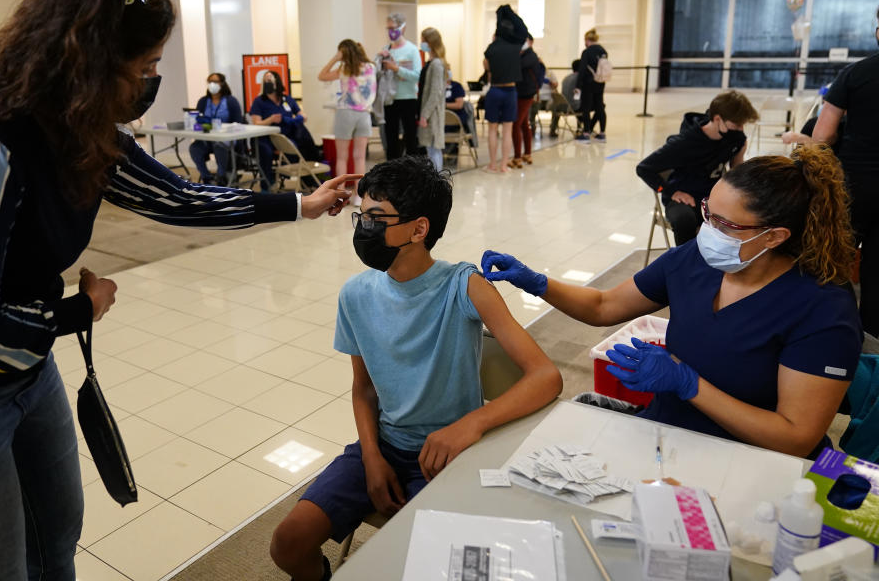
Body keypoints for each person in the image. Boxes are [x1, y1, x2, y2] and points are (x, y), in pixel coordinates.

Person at [0, 0, 359, 581]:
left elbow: (176, 199)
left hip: (24, 371)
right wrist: (79, 310)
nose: (152, 81)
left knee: (55, 542)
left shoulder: (82, 133)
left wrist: (298, 203)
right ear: (90, 61)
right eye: (145, 67)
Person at [270, 157, 562, 581]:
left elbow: (545, 376)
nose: (363, 229)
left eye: (376, 218)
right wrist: (371, 455)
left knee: (429, 563)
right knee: (287, 544)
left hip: (450, 454)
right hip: (385, 445)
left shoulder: (464, 286)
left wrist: (471, 424)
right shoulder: (355, 294)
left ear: (419, 229)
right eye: (360, 216)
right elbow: (363, 389)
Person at [484, 144, 861, 460]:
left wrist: (689, 383)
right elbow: (603, 306)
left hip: (749, 462)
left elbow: (795, 438)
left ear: (775, 236)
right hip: (666, 437)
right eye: (707, 213)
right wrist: (537, 283)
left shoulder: (822, 308)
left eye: (725, 225)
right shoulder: (694, 261)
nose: (706, 230)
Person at [813, 10, 879, 336]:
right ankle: (872, 339)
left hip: (854, 183)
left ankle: (831, 328)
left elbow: (823, 135)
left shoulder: (855, 74)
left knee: (835, 254)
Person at [636, 91, 759, 245]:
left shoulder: (736, 138)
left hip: (714, 197)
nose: (741, 129)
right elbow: (644, 168)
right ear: (717, 119)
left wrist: (740, 155)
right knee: (684, 220)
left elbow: (736, 169)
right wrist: (669, 191)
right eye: (736, 124)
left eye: (743, 124)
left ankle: (725, 263)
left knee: (750, 214)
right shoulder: (684, 143)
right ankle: (687, 263)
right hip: (686, 199)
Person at [318, 39, 376, 206]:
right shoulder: (371, 67)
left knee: (342, 157)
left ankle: (341, 195)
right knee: (360, 158)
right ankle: (359, 196)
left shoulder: (344, 69)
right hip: (364, 115)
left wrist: (335, 58)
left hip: (345, 113)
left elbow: (321, 75)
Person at [250, 70, 320, 190]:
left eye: (270, 80)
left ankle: (309, 180)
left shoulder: (286, 99)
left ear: (277, 82)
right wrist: (271, 119)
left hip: (287, 136)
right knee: (265, 151)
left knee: (302, 145)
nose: (268, 82)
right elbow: (256, 123)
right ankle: (266, 185)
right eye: (266, 80)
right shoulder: (259, 101)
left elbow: (302, 114)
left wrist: (301, 116)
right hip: (267, 137)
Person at [483, 5, 527, 173]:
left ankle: (493, 164)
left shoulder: (491, 48)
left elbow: (487, 67)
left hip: (494, 90)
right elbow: (523, 29)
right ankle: (503, 165)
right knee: (508, 130)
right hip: (510, 91)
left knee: (492, 129)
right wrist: (510, 13)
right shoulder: (515, 46)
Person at [188, 72, 244, 185]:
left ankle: (221, 176)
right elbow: (198, 119)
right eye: (210, 82)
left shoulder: (231, 101)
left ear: (222, 83)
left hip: (227, 138)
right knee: (194, 148)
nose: (212, 84)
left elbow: (238, 123)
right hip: (208, 138)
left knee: (219, 145)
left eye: (215, 82)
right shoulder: (203, 101)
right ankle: (206, 177)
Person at [379, 13, 422, 160]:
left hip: (408, 98)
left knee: (410, 137)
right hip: (390, 99)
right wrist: (379, 62)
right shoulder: (386, 49)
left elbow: (417, 75)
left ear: (403, 28)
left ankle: (413, 172)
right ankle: (392, 172)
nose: (391, 31)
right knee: (390, 138)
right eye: (388, 28)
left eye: (394, 28)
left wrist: (397, 69)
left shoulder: (412, 50)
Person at [417, 27, 448, 172]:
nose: (422, 43)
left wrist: (425, 114)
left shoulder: (436, 64)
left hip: (432, 115)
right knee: (431, 150)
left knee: (433, 149)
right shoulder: (434, 62)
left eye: (423, 40)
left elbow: (435, 92)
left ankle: (436, 180)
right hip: (429, 112)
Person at [509, 35, 540, 168]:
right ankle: (527, 154)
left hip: (525, 94)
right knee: (523, 124)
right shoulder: (527, 55)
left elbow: (517, 67)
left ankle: (517, 157)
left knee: (516, 124)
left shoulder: (530, 56)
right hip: (524, 93)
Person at [575, 28, 608, 143]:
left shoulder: (587, 52)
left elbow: (582, 70)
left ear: (587, 40)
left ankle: (586, 133)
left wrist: (578, 86)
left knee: (586, 108)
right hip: (600, 82)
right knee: (599, 106)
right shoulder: (603, 51)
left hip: (588, 83)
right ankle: (602, 133)